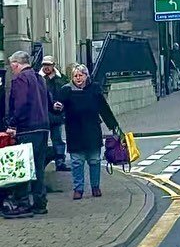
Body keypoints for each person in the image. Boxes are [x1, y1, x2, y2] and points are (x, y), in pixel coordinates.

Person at [54, 64, 119, 199]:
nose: (78, 78)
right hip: (74, 131)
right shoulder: (66, 90)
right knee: (77, 162)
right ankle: (78, 189)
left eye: (81, 75)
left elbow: (104, 108)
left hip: (92, 130)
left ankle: (95, 187)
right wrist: (56, 107)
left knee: (94, 160)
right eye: (75, 76)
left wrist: (114, 127)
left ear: (86, 76)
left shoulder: (94, 89)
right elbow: (57, 106)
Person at [3, 51, 52, 217]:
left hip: (28, 128)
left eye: (11, 65)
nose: (11, 69)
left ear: (16, 64)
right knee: (38, 168)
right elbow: (50, 102)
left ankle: (22, 203)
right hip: (43, 128)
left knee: (22, 167)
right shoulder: (40, 79)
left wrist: (12, 123)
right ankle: (40, 203)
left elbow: (21, 104)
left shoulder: (20, 79)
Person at [39, 56, 70, 171]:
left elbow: (67, 94)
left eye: (49, 64)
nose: (46, 67)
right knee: (43, 140)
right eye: (44, 65)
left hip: (57, 114)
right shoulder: (38, 78)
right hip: (43, 115)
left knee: (57, 139)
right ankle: (41, 163)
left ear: (53, 65)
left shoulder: (61, 79)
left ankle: (60, 162)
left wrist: (63, 105)